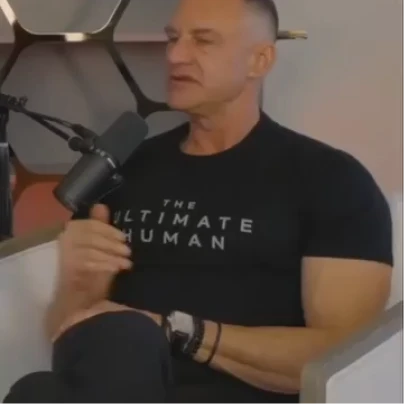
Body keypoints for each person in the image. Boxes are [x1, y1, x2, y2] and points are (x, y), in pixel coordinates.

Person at [5, 0, 393, 403]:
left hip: (239, 395)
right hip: (117, 381)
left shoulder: (331, 180)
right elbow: (67, 335)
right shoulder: (124, 168)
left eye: (203, 41)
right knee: (39, 390)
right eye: (173, 39)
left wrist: (177, 330)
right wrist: (77, 286)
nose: (176, 55)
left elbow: (341, 361)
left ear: (260, 60)